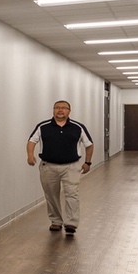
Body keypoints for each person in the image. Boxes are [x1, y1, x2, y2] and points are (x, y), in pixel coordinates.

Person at [26, 100, 94, 236]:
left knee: (72, 194)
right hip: (48, 166)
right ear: (53, 110)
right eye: (57, 108)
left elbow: (89, 144)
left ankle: (71, 223)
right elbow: (32, 141)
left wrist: (88, 162)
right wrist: (30, 155)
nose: (60, 110)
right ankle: (56, 221)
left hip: (71, 166)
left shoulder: (78, 127)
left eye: (64, 108)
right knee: (51, 195)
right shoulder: (43, 126)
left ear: (69, 111)